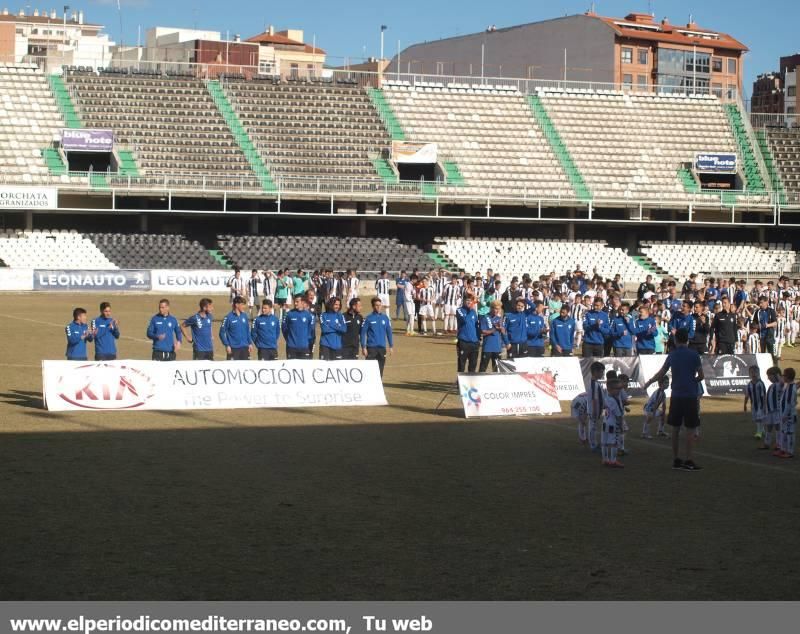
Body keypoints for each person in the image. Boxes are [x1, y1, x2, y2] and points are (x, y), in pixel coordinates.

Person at [644, 329, 704, 471]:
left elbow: (661, 372)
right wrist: (691, 381)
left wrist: (649, 382)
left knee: (675, 429)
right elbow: (701, 376)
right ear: (687, 340)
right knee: (690, 429)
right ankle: (689, 460)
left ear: (676, 340)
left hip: (676, 395)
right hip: (689, 395)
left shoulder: (672, 355)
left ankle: (676, 460)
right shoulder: (694, 355)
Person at [360, 297, 393, 376]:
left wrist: (391, 346)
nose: (378, 307)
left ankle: (378, 386)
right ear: (373, 306)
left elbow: (389, 332)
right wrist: (363, 347)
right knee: (369, 370)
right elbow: (363, 333)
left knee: (380, 369)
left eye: (379, 305)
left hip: (382, 348)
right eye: (376, 305)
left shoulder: (385, 318)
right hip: (371, 348)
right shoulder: (368, 318)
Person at [282, 295, 316, 360]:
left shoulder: (308, 315)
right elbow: (284, 329)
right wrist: (289, 339)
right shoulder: (289, 314)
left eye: (297, 302)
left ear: (303, 302)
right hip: (291, 347)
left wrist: (305, 340)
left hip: (304, 347)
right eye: (294, 302)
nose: (295, 303)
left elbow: (310, 330)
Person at [479, 300, 508, 373]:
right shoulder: (485, 317)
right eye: (495, 308)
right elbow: (483, 331)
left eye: (498, 309)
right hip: (487, 347)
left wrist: (502, 329)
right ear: (491, 308)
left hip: (497, 348)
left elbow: (504, 332)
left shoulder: (500, 319)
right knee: (483, 368)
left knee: (497, 369)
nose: (496, 310)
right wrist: (494, 329)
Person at [219, 296, 252, 360]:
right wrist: (227, 345)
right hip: (233, 348)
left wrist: (250, 343)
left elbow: (247, 330)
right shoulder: (228, 317)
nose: (244, 307)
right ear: (236, 305)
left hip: (245, 347)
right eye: (242, 305)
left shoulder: (244, 316)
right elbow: (222, 333)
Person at [602, 378, 626, 468]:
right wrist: (621, 426)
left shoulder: (607, 397)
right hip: (613, 424)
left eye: (620, 388)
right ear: (610, 389)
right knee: (614, 443)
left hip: (605, 422)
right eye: (617, 388)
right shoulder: (614, 400)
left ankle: (605, 459)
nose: (619, 390)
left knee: (604, 442)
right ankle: (613, 460)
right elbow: (618, 415)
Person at [455, 294, 481, 373]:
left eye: (470, 301)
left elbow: (476, 325)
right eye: (467, 300)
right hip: (464, 341)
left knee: (473, 365)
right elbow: (464, 320)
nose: (469, 302)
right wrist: (469, 310)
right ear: (463, 301)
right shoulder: (459, 310)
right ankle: (460, 383)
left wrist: (478, 339)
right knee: (461, 365)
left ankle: (471, 383)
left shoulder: (473, 312)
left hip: (474, 342)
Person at [776, 367, 797, 458]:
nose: (782, 377)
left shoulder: (791, 388)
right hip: (785, 414)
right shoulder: (788, 385)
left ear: (787, 377)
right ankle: (783, 449)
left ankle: (790, 452)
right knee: (784, 432)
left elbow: (789, 403)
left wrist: (784, 415)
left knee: (789, 433)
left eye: (784, 375)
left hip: (789, 415)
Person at [744, 365, 767, 441]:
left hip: (760, 405)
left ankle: (759, 432)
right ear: (749, 374)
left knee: (759, 418)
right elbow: (747, 395)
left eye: (755, 372)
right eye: (751, 372)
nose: (753, 374)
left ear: (758, 373)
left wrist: (764, 405)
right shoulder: (749, 385)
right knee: (756, 418)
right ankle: (762, 429)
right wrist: (745, 404)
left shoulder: (760, 384)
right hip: (753, 405)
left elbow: (763, 395)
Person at [587, 361, 605, 452]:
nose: (602, 374)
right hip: (594, 409)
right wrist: (594, 411)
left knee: (594, 427)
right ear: (595, 372)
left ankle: (595, 443)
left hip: (597, 409)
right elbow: (594, 399)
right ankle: (593, 445)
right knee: (592, 427)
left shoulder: (596, 383)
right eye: (601, 372)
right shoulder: (593, 384)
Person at [764, 366, 783, 452]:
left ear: (775, 375)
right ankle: (767, 443)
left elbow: (782, 382)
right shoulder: (772, 386)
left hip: (776, 410)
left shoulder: (779, 384)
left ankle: (779, 444)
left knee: (778, 426)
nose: (768, 378)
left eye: (769, 375)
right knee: (769, 426)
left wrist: (778, 376)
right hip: (770, 411)